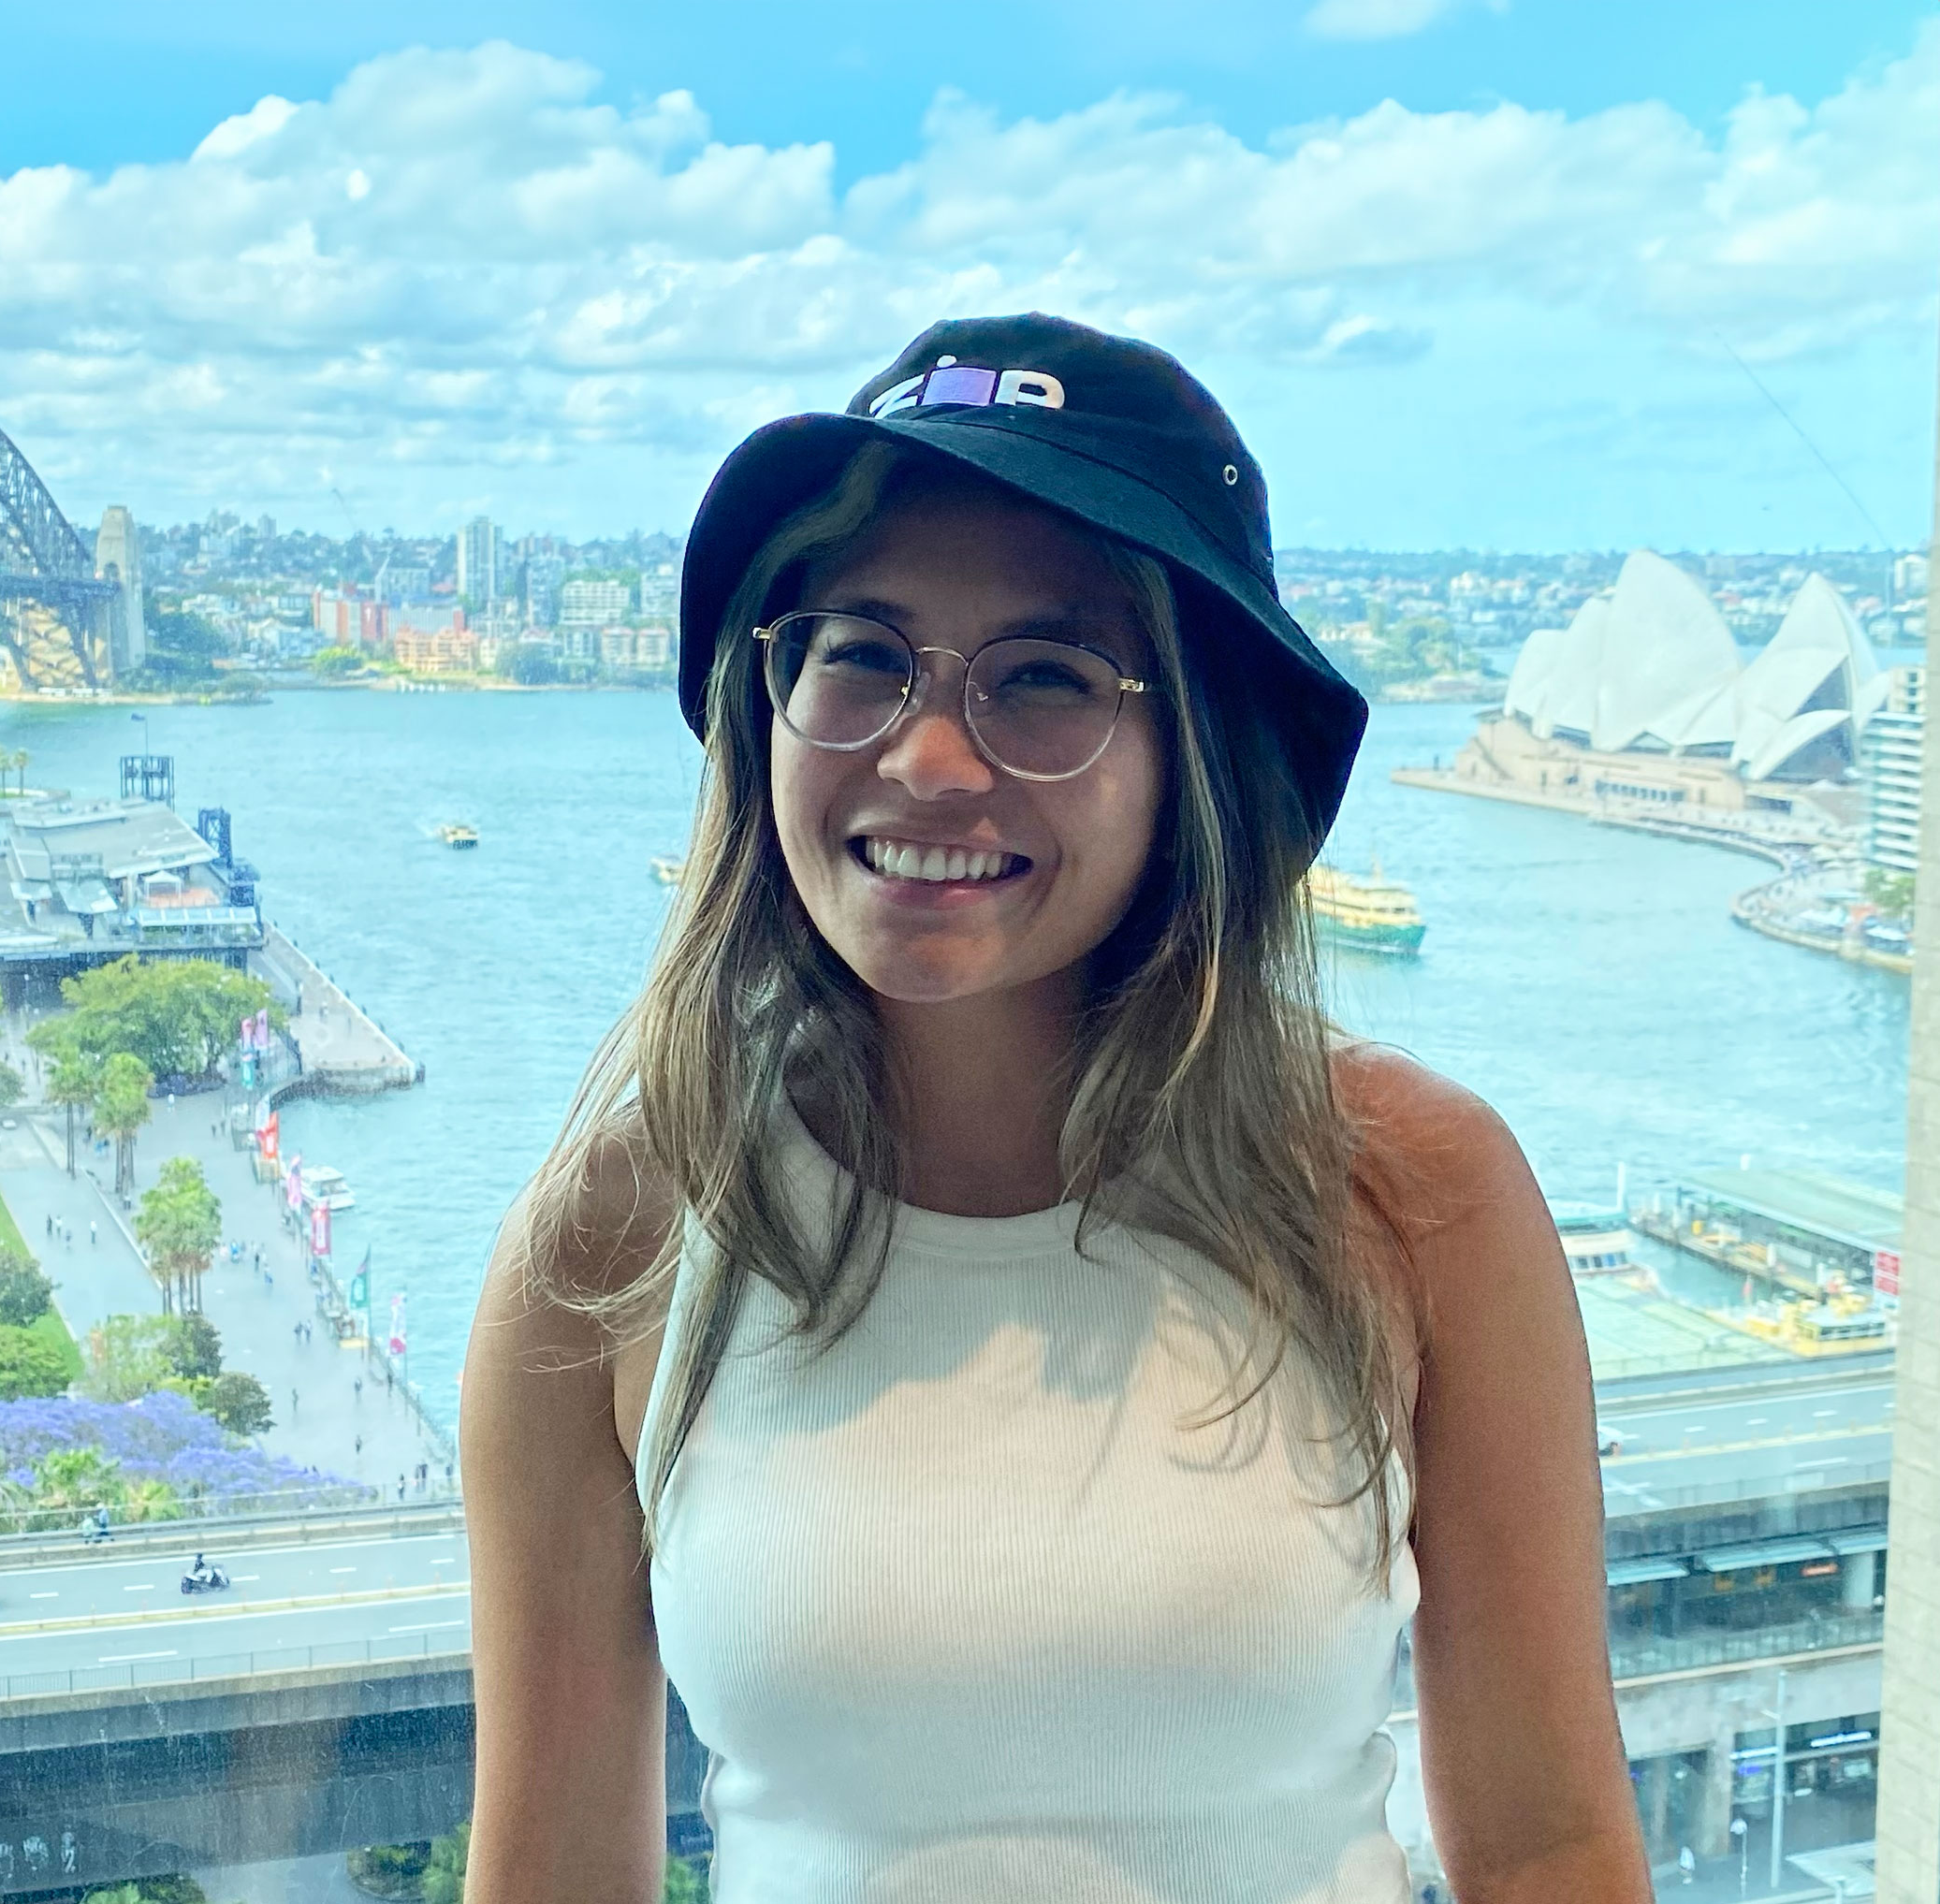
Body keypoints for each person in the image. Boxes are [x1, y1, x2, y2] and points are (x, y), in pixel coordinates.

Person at [460, 315, 1651, 1901]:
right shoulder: (613, 1235)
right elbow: (547, 1878)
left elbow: (1546, 1847)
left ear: (1196, 756)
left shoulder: (1411, 1191)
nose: (931, 756)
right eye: (863, 656)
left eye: (1044, 677)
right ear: (770, 709)